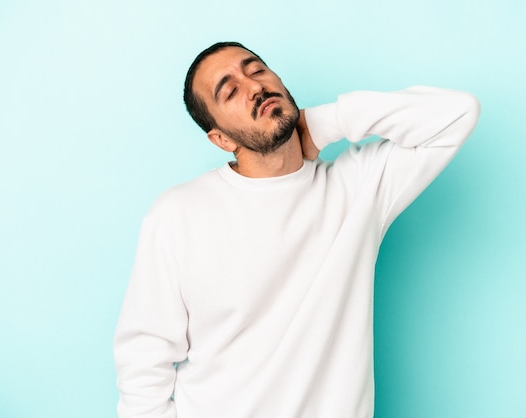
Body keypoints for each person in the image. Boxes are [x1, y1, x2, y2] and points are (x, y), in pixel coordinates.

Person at [114, 41, 480, 418]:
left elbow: (458, 114)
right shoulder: (178, 215)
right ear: (221, 139)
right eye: (231, 90)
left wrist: (323, 123)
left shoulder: (357, 189)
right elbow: (144, 362)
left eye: (256, 70)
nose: (254, 86)